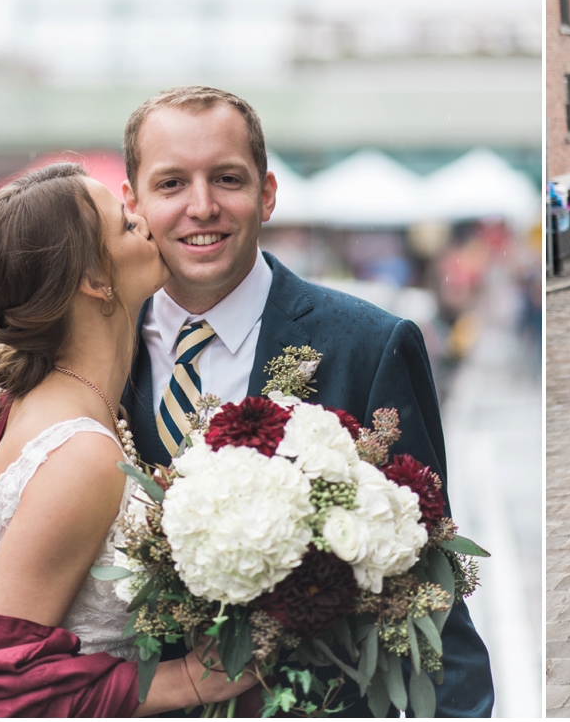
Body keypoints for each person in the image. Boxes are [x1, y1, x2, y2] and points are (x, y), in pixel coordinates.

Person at [117, 86, 493, 715]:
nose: (202, 207)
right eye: (172, 184)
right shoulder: (92, 354)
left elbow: (432, 598)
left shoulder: (371, 346)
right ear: (133, 202)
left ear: (267, 192)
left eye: (228, 179)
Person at [0, 163, 258, 716]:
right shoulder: (78, 455)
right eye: (127, 226)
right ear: (95, 281)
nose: (148, 224)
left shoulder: (63, 407)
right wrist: (187, 682)